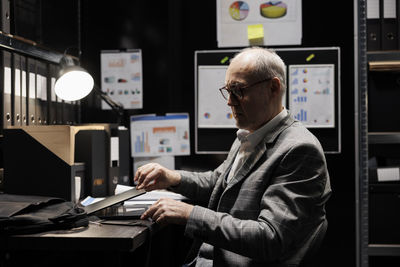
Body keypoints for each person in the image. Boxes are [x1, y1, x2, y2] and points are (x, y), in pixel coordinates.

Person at [134, 47, 332, 267]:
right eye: (227, 90)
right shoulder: (249, 134)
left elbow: (271, 237)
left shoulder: (299, 150)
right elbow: (219, 183)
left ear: (273, 87)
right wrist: (172, 178)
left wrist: (192, 215)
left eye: (238, 90)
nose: (229, 101)